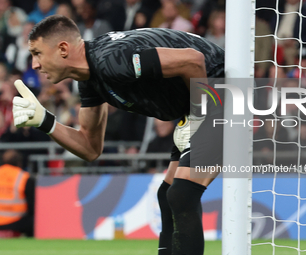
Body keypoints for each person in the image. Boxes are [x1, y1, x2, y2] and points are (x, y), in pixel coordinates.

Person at [12, 15, 224, 255]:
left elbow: (192, 60)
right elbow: (90, 149)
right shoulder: (91, 79)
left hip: (225, 93)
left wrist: (199, 114)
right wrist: (45, 121)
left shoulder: (112, 60)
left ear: (62, 49)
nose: (34, 65)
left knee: (182, 194)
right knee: (168, 196)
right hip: (200, 101)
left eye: (37, 53)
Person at [0, 149, 35, 237]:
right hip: (16, 221)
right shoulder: (24, 177)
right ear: (19, 162)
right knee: (35, 221)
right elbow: (32, 205)